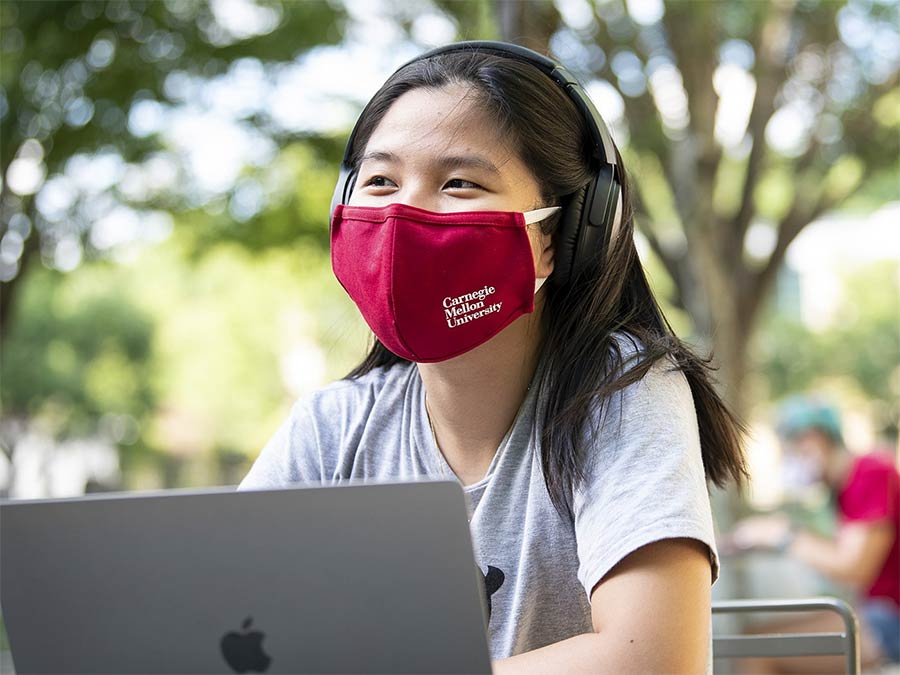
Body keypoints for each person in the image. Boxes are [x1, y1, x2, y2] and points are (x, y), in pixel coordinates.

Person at [241, 41, 747, 673]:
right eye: (380, 181)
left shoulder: (625, 389)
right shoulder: (333, 425)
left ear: (562, 235)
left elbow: (654, 661)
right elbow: (217, 621)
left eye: (460, 183)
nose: (403, 213)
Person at [729, 397, 900, 673]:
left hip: (890, 620)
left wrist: (782, 535)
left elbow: (855, 567)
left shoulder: (871, 472)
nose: (788, 462)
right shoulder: (845, 487)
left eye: (790, 451)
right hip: (877, 613)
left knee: (755, 648)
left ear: (813, 439)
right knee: (755, 637)